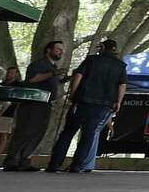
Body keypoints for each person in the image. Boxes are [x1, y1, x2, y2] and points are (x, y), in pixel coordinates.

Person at [46, 38, 127, 173]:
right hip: (104, 104)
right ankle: (77, 165)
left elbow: (78, 76)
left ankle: (54, 164)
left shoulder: (91, 60)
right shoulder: (120, 66)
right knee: (88, 134)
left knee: (68, 132)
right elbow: (122, 85)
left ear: (101, 47)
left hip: (83, 100)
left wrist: (73, 93)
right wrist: (118, 102)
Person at [2, 39, 65, 171]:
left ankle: (24, 160)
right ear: (48, 50)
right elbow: (32, 79)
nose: (61, 52)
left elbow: (52, 82)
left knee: (37, 133)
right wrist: (53, 73)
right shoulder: (39, 64)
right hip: (33, 103)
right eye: (58, 49)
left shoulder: (53, 67)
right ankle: (12, 161)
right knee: (25, 131)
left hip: (45, 104)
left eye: (62, 50)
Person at [0, 65, 21, 165]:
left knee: (3, 137)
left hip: (8, 114)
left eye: (12, 73)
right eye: (8, 72)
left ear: (16, 74)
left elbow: (10, 103)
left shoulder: (19, 85)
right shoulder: (1, 85)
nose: (9, 74)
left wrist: (0, 112)